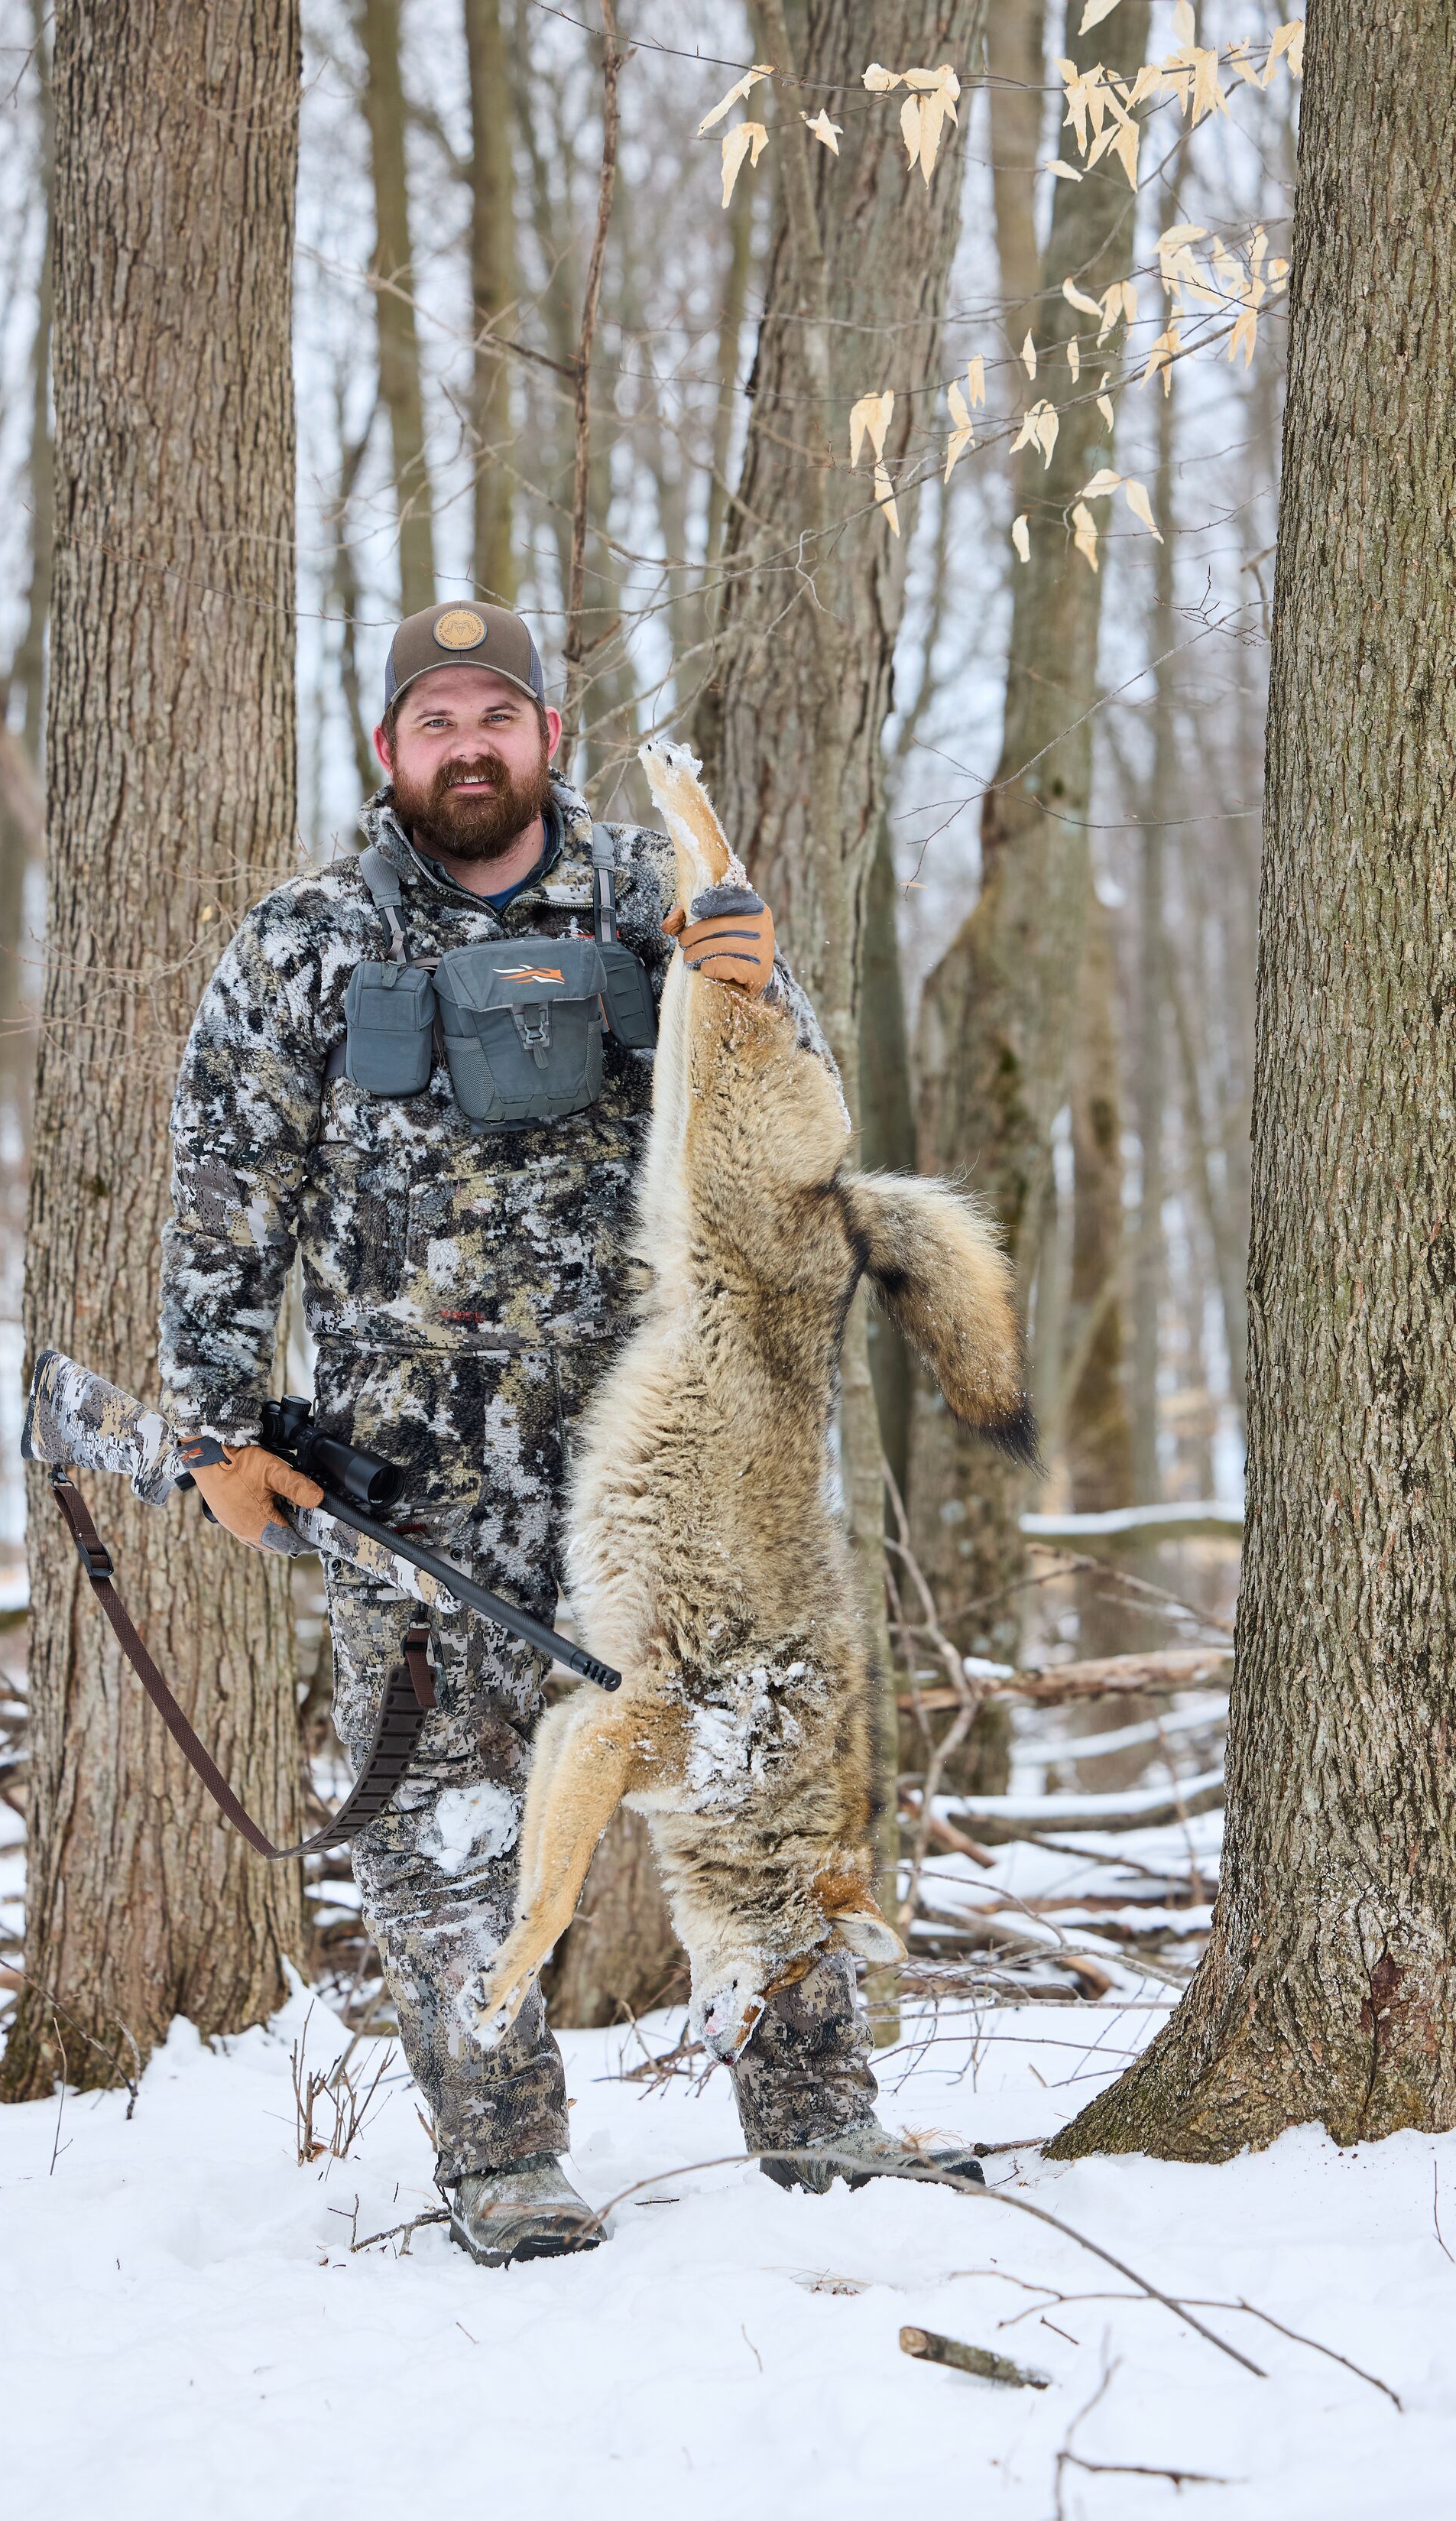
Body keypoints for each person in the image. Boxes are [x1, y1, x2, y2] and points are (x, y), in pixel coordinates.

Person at [157, 599, 980, 2266]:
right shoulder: (303, 939)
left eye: (497, 716)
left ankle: (819, 2113)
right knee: (444, 1822)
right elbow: (226, 1191)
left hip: (673, 1457)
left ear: (546, 734)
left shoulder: (662, 898)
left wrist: (758, 986)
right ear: (390, 747)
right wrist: (214, 1423)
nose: (468, 747)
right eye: (437, 720)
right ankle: (504, 2157)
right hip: (415, 1477)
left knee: (759, 1768)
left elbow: (786, 1123)